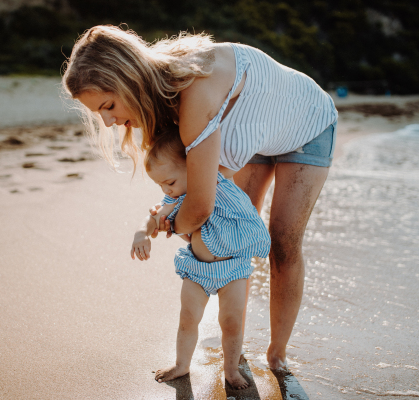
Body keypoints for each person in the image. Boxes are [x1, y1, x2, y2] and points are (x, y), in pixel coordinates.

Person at [63, 25, 338, 371]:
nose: (107, 122)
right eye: (98, 114)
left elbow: (200, 207)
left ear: (129, 78)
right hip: (251, 133)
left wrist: (165, 223)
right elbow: (190, 194)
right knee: (232, 238)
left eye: (108, 106)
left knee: (282, 241)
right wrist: (170, 215)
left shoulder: (192, 90)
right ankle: (235, 345)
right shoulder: (164, 98)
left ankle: (277, 353)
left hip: (305, 123)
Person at [131, 128, 270, 389]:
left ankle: (231, 371)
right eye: (160, 185)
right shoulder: (177, 196)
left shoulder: (218, 184)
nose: (165, 190)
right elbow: (155, 215)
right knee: (188, 318)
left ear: (192, 167)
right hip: (197, 269)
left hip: (234, 268)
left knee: (231, 321)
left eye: (169, 182)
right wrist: (142, 232)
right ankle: (182, 364)